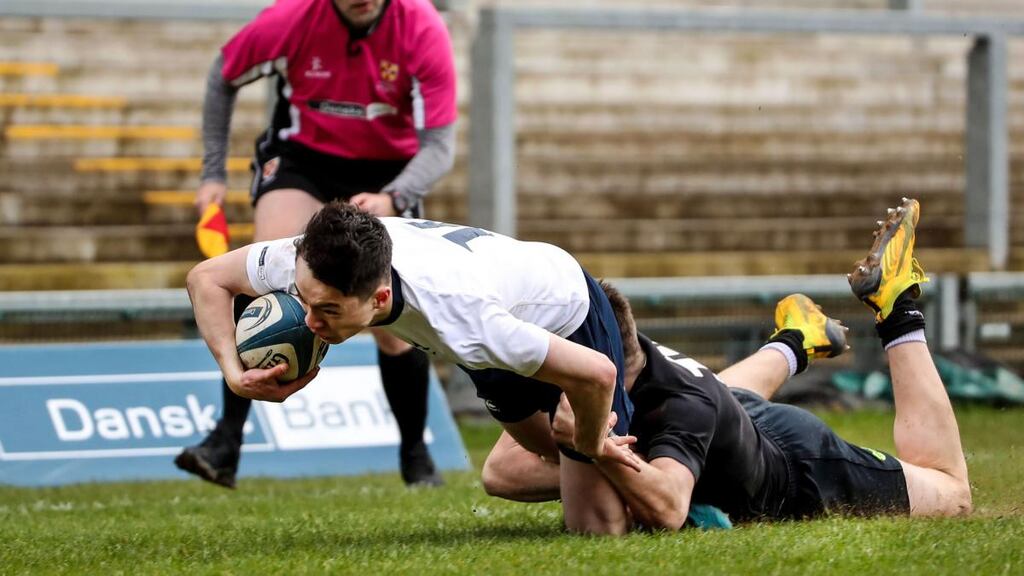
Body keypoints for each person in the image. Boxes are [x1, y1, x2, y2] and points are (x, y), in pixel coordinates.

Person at [481, 198, 972, 533]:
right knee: (712, 403)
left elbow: (670, 506)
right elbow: (502, 474)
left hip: (797, 464)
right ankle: (797, 340)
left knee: (952, 493)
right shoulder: (610, 355)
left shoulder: (679, 407)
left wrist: (595, 449)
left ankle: (897, 306)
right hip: (725, 412)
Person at [185, 202, 643, 526]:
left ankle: (666, 469)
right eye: (305, 301)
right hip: (495, 321)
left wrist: (588, 442)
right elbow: (205, 278)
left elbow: (596, 372)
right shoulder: (310, 258)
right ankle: (600, 463)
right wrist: (234, 374)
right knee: (515, 470)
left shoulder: (466, 321)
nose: (309, 321)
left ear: (379, 298)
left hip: (565, 312)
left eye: (328, 310)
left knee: (596, 525)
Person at [175, 0, 458, 488]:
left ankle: (416, 453)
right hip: (302, 158)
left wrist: (395, 196)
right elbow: (223, 72)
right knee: (260, 274)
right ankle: (226, 440)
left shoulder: (422, 27)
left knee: (390, 316)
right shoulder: (291, 19)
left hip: (387, 173)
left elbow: (438, 146)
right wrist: (212, 172)